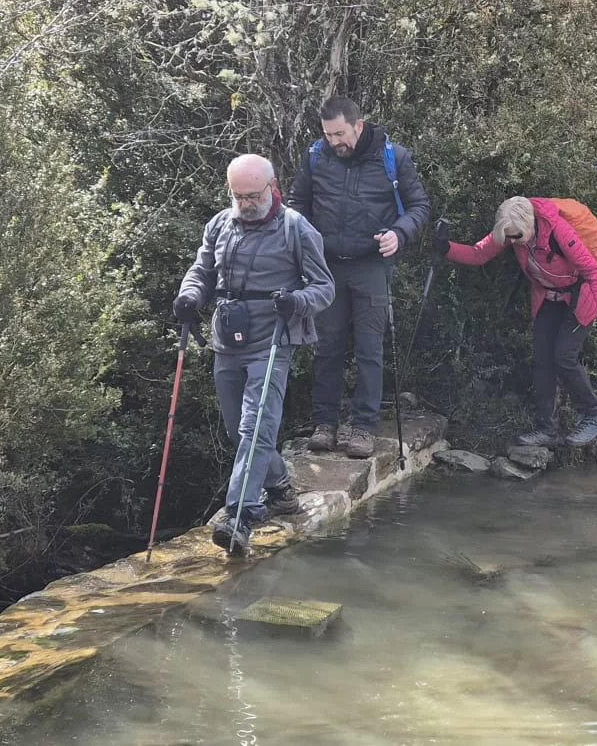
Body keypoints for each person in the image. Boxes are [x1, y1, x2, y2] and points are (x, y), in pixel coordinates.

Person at [176, 155, 337, 555]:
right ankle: (280, 489)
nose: (246, 204)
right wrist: (189, 297)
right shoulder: (219, 225)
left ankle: (240, 516)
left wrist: (296, 301)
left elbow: (324, 288)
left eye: (252, 195)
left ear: (272, 187)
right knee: (238, 430)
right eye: (238, 196)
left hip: (273, 340)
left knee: (256, 426)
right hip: (227, 339)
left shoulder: (297, 228)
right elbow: (202, 271)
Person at [288, 95, 432, 459]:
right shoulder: (315, 156)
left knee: (370, 349)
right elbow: (298, 204)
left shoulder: (394, 158)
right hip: (326, 267)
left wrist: (399, 233)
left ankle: (363, 428)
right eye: (328, 134)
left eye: (339, 134)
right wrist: (302, 243)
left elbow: (419, 206)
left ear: (358, 125)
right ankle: (324, 425)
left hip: (372, 265)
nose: (334, 141)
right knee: (327, 347)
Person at [434, 197, 597, 447]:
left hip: (581, 296)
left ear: (529, 224)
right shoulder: (512, 228)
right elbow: (478, 253)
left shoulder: (558, 230)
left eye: (517, 236)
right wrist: (446, 248)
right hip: (548, 297)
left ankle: (592, 417)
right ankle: (547, 429)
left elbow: (592, 269)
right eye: (509, 237)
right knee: (542, 360)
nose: (514, 241)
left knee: (564, 356)